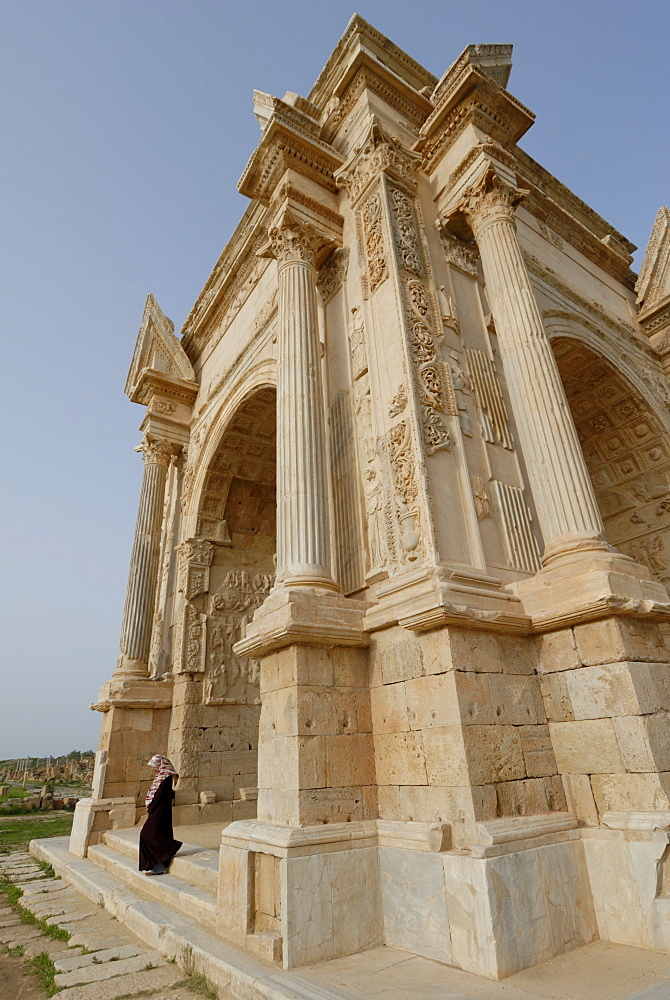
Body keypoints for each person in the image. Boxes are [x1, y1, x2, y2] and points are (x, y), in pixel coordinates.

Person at [139, 754, 182, 876]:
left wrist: (151, 807)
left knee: (148, 836)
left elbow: (160, 797)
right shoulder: (161, 777)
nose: (152, 769)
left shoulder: (166, 779)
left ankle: (170, 850)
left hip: (159, 812)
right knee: (156, 837)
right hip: (157, 811)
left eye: (153, 766)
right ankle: (158, 868)